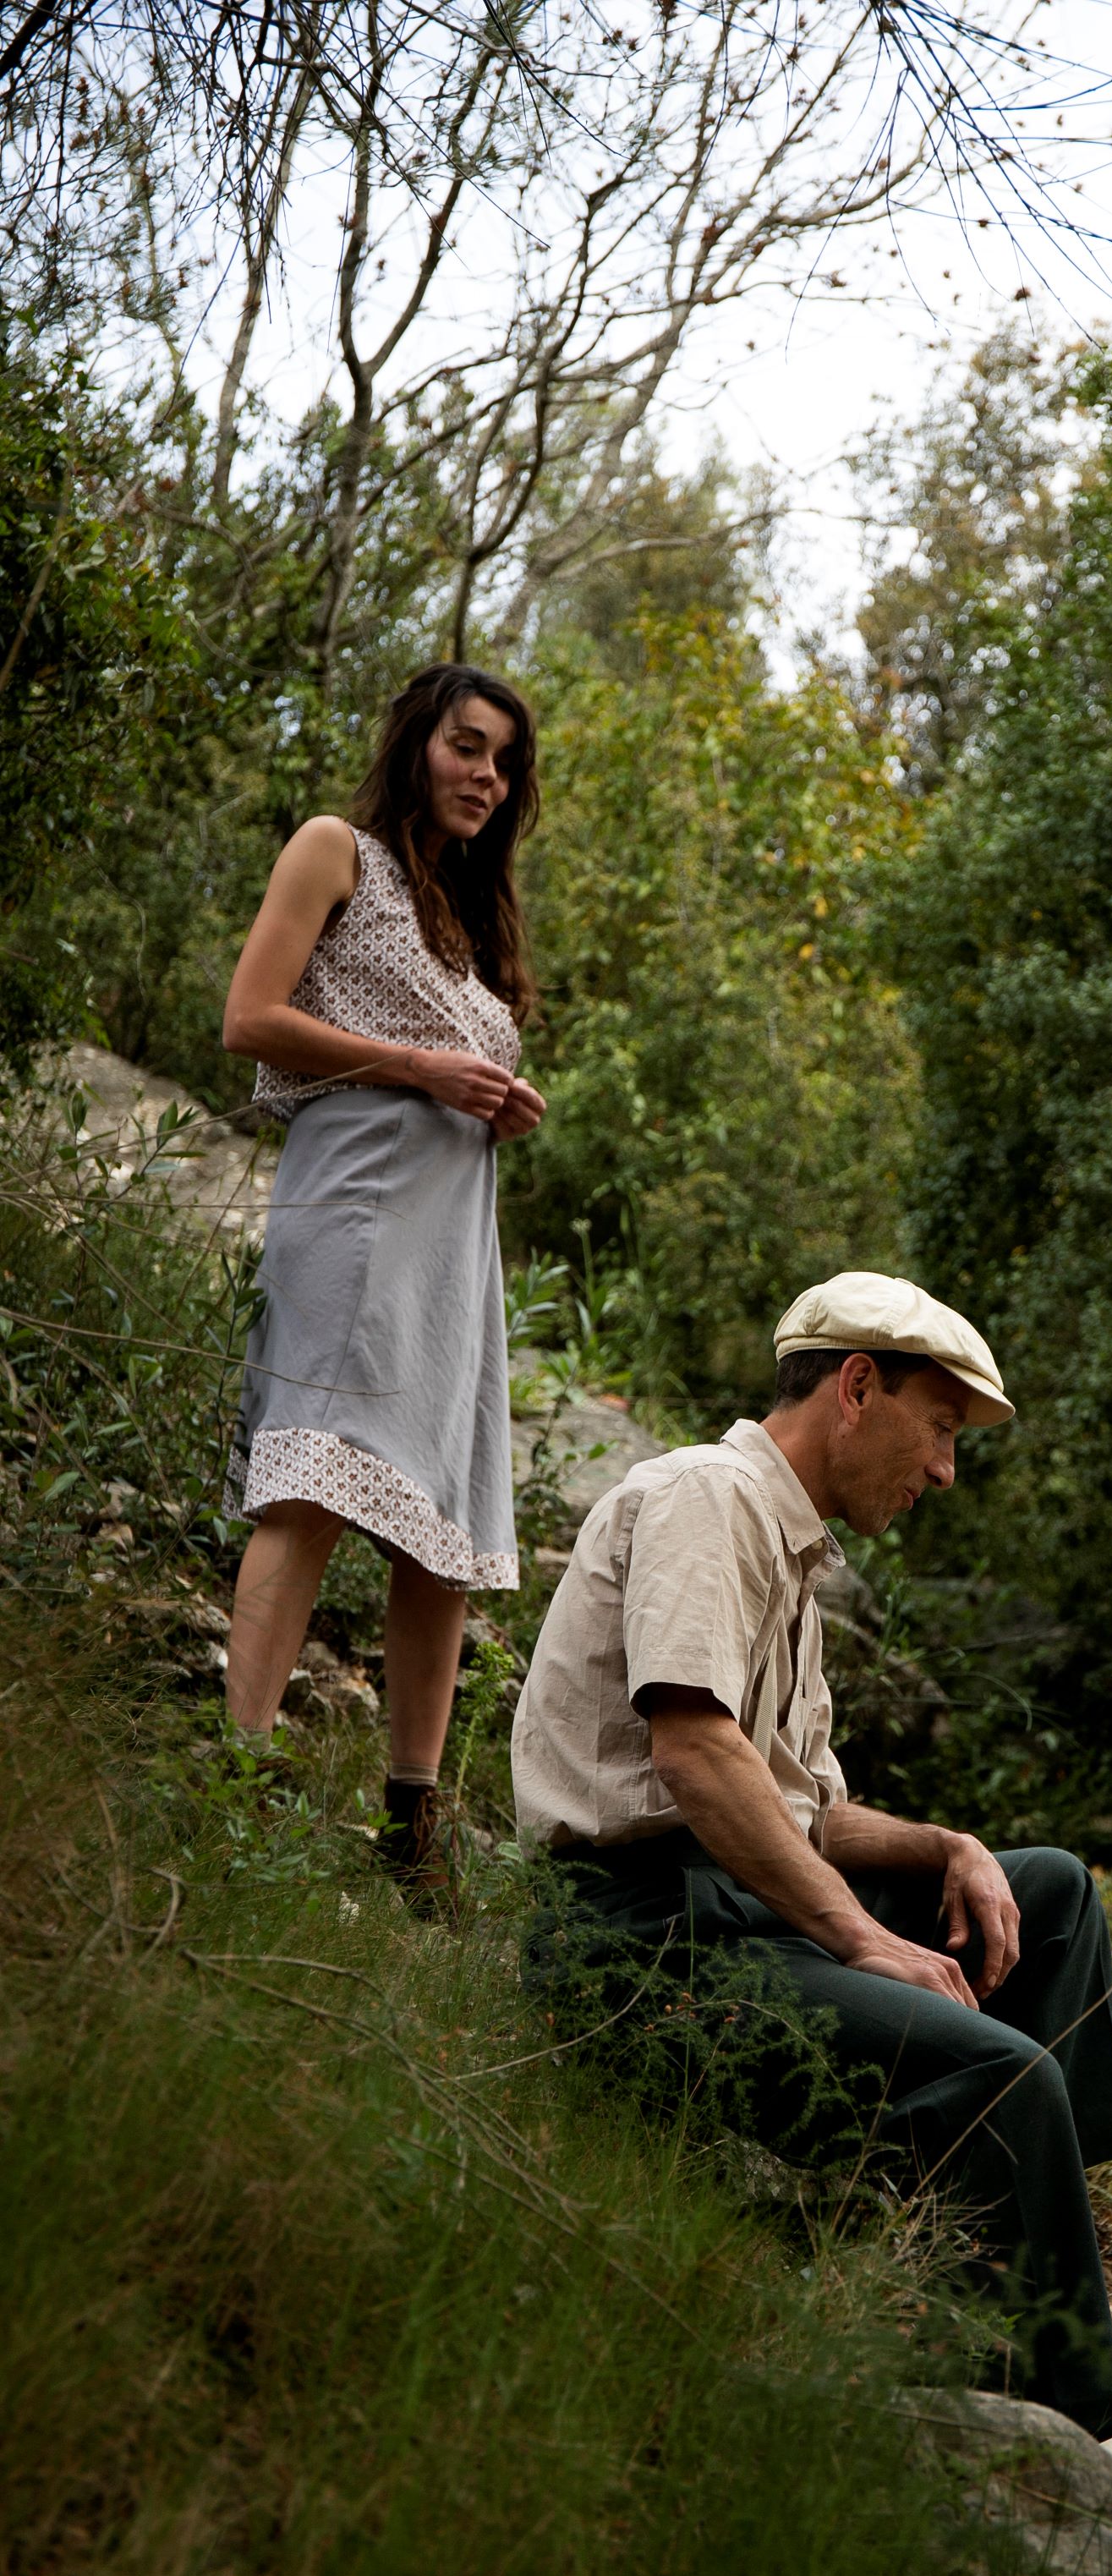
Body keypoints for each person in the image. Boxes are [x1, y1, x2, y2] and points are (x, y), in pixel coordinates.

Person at [512, 1269, 1112, 2475]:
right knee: (1005, 2074)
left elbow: (804, 1815)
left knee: (1049, 1892)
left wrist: (948, 1848)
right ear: (858, 1389)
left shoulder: (792, 1560)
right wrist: (868, 1942)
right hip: (642, 1946)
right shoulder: (707, 1498)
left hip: (735, 1905)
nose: (946, 1471)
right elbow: (696, 1754)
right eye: (941, 1429)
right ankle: (1060, 2405)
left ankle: (1033, 2274)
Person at [220, 660, 547, 1905]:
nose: (486, 774)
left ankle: (413, 1822)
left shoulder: (469, 917)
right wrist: (420, 1066)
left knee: (438, 1528)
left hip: (453, 1245)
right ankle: (237, 1773)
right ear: (417, 744)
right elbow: (251, 1017)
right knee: (310, 1478)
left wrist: (492, 1099)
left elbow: (448, 1066)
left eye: (504, 761)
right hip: (351, 1214)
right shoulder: (335, 851)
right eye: (467, 745)